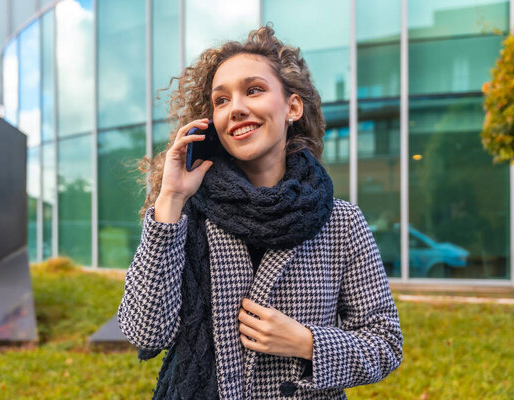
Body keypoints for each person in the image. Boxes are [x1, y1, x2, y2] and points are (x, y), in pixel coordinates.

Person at [117, 25, 403, 400]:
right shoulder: (185, 215)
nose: (235, 108)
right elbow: (145, 331)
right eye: (221, 100)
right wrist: (171, 196)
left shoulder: (341, 222)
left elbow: (385, 343)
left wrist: (307, 342)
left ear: (293, 107)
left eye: (253, 90)